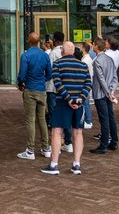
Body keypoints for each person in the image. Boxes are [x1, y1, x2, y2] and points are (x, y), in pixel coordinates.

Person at [41, 41, 91, 176]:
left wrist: (68, 99)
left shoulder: (57, 64)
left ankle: (54, 164)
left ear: (62, 51)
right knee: (78, 132)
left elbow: (57, 83)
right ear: (74, 51)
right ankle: (76, 164)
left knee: (57, 131)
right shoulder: (83, 65)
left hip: (63, 102)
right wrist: (80, 98)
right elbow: (88, 84)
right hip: (79, 103)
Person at [16, 32, 52, 160]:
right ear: (39, 42)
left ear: (28, 41)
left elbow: (22, 75)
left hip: (30, 89)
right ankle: (46, 147)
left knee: (30, 120)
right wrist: (42, 80)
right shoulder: (44, 55)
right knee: (42, 119)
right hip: (41, 90)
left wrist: (20, 83)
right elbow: (49, 74)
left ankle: (30, 150)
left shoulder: (25, 55)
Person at [89, 38, 119, 154]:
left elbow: (101, 79)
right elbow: (115, 77)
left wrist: (108, 93)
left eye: (93, 45)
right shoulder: (110, 59)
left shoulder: (97, 61)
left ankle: (104, 144)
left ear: (96, 46)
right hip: (108, 93)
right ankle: (114, 142)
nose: (92, 46)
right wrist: (112, 91)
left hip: (100, 94)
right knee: (110, 117)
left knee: (104, 119)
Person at [46, 31, 73, 153]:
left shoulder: (52, 54)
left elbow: (49, 71)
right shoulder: (68, 52)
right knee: (66, 114)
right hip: (65, 88)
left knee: (54, 115)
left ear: (55, 40)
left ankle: (56, 141)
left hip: (53, 88)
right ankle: (68, 141)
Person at [79, 42, 94, 129]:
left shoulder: (85, 60)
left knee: (85, 102)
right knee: (86, 102)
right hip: (87, 82)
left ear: (84, 49)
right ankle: (88, 120)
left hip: (85, 83)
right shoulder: (86, 58)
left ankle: (88, 121)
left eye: (81, 47)